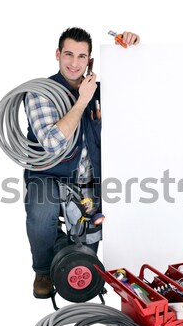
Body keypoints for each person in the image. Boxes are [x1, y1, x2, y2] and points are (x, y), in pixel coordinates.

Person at [24, 27, 140, 299]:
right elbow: (52, 141)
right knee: (41, 210)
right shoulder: (41, 93)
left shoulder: (103, 92)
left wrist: (132, 52)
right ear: (57, 55)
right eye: (68, 55)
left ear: (89, 60)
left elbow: (138, 89)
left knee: (90, 231)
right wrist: (82, 100)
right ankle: (43, 270)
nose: (74, 63)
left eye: (81, 56)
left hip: (89, 176)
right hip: (48, 172)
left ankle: (78, 261)